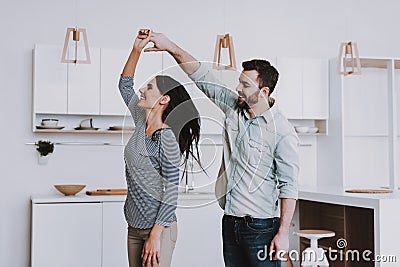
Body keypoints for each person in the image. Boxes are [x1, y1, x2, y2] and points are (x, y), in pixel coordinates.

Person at [144, 31, 299, 267]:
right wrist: (169, 46)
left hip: (260, 226)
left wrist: (283, 233)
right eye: (239, 81)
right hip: (230, 221)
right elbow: (200, 75)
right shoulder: (232, 109)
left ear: (263, 92)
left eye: (245, 84)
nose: (237, 87)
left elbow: (289, 185)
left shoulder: (283, 132)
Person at [119, 29, 201, 267]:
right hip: (134, 226)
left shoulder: (166, 138)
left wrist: (155, 235)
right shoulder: (139, 118)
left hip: (158, 230)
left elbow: (170, 191)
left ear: (164, 100)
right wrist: (137, 49)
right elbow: (125, 85)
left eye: (150, 88)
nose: (142, 90)